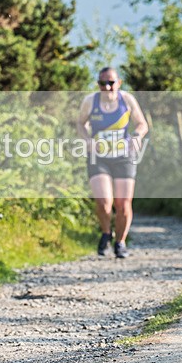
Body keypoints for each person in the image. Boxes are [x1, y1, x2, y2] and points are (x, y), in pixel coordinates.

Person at [76, 67, 148, 258]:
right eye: (102, 83)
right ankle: (106, 232)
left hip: (123, 156)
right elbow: (80, 123)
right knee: (104, 202)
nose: (107, 87)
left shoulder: (127, 100)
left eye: (111, 83)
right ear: (98, 84)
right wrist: (88, 140)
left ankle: (120, 242)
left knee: (123, 204)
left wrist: (137, 136)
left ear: (119, 83)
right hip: (99, 157)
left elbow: (142, 124)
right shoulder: (91, 101)